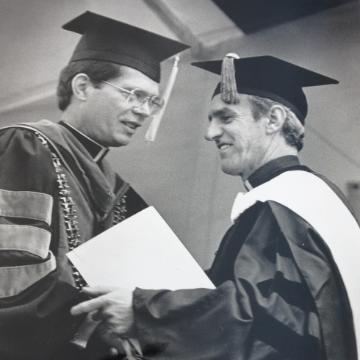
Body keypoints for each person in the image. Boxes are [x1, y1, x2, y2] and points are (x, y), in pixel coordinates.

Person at [71, 54, 360, 360]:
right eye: (211, 119)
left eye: (226, 117)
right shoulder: (317, 199)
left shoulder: (283, 204)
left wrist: (143, 311)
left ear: (273, 120)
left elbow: (260, 318)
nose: (210, 133)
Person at [0, 10, 188, 360]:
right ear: (83, 87)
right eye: (133, 94)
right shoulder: (27, 147)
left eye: (152, 100)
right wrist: (104, 326)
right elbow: (12, 280)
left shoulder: (121, 192)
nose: (145, 111)